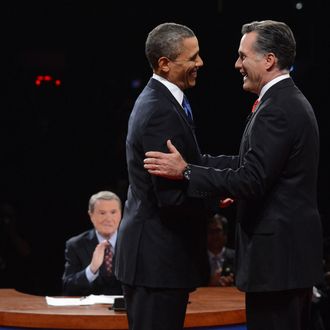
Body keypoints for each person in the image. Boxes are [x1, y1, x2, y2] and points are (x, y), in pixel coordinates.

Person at [144, 20, 324, 330]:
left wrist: (186, 171)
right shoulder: (282, 101)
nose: (237, 64)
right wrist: (199, 163)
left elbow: (251, 179)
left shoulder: (279, 107)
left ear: (268, 60)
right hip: (284, 263)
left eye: (243, 56)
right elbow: (249, 163)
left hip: (277, 264)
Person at [114, 22, 210, 330]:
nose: (200, 63)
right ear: (165, 64)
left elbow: (186, 168)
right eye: (192, 57)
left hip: (158, 261)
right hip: (155, 263)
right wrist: (215, 198)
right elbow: (170, 197)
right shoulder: (159, 109)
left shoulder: (165, 100)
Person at [62, 190, 122, 296]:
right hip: (90, 310)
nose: (108, 218)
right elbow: (68, 288)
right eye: (102, 213)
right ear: (91, 215)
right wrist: (91, 269)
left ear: (120, 214)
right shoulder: (75, 245)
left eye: (113, 212)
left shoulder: (133, 243)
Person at [206, 213, 235, 287]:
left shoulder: (237, 257)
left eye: (218, 231)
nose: (215, 236)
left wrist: (231, 282)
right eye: (211, 231)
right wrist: (209, 282)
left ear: (225, 234)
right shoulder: (197, 259)